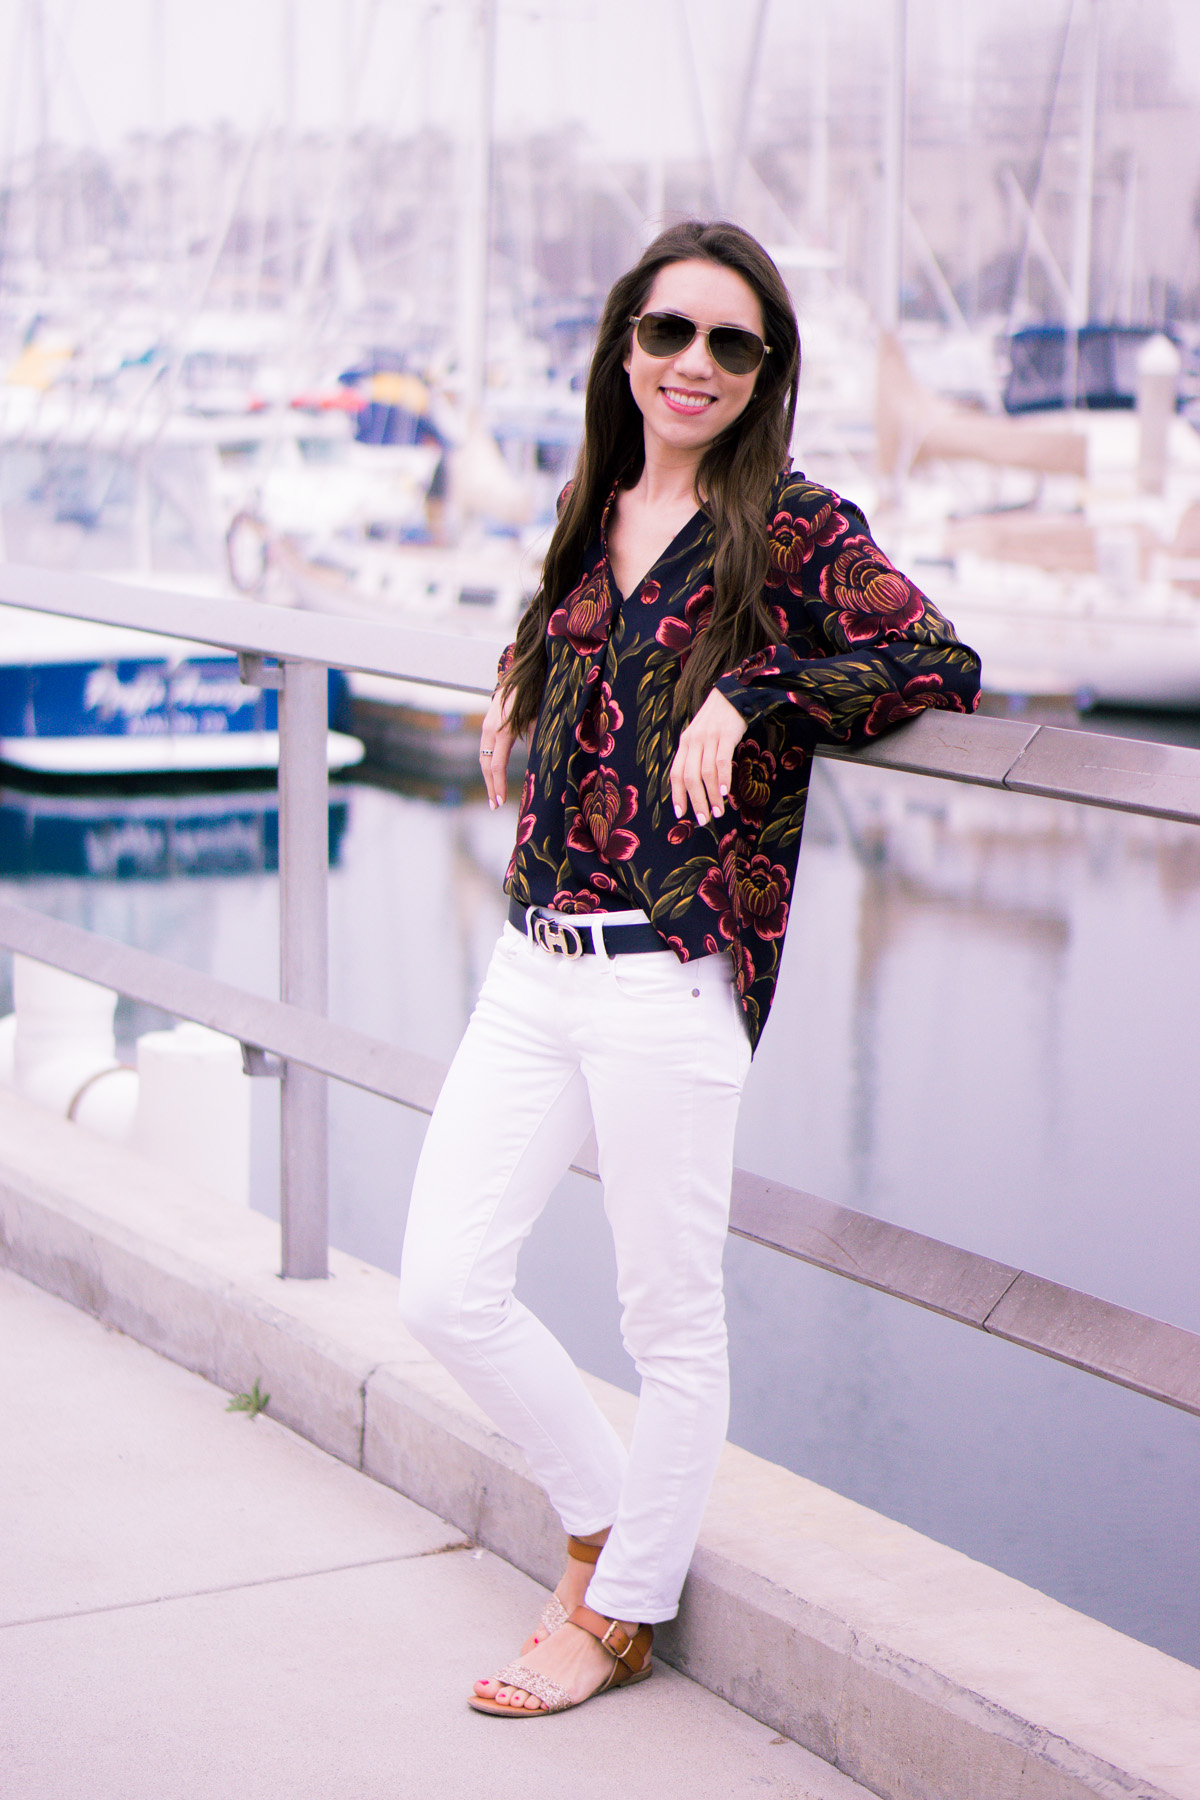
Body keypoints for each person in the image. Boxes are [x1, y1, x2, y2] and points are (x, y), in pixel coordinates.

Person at [398, 220, 981, 1720]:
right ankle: (603, 1521)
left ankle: (617, 1608)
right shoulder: (594, 500)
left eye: (732, 344)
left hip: (668, 976)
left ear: (765, 369)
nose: (695, 366)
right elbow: (574, 643)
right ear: (627, 345)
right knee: (446, 1284)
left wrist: (761, 688)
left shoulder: (790, 527)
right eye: (671, 334)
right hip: (533, 962)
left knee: (669, 1320)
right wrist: (526, 666)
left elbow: (937, 662)